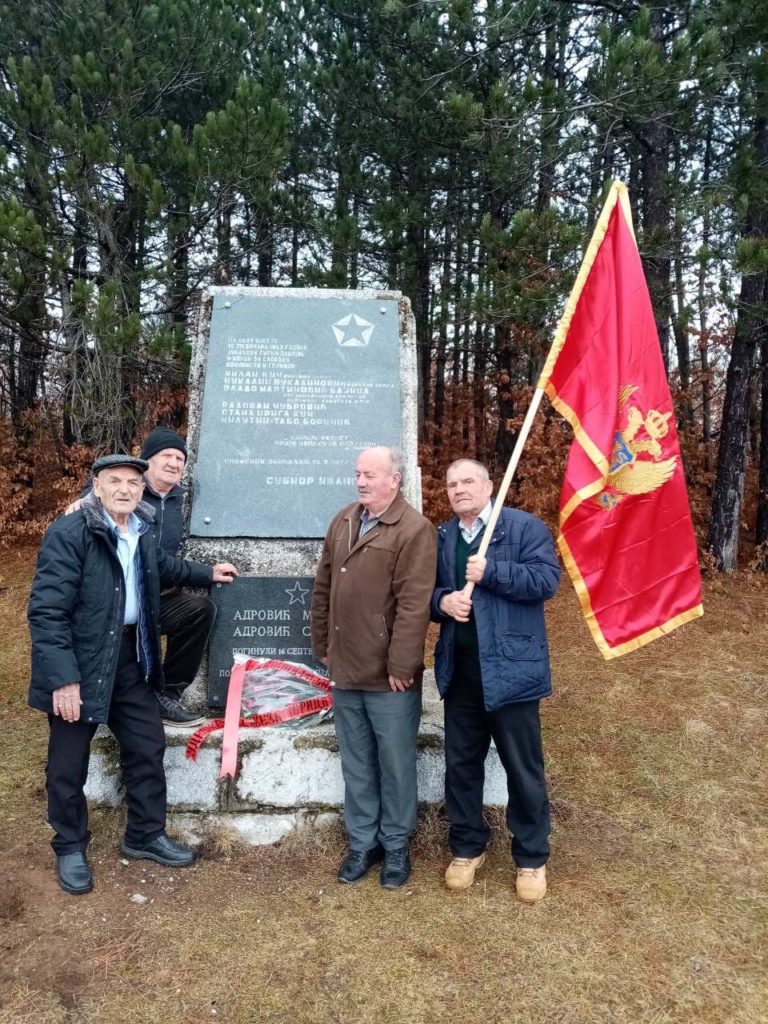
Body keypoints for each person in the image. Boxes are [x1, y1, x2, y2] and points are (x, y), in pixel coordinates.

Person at [28, 454, 207, 895]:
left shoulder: (141, 531)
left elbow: (164, 569)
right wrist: (65, 679)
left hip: (130, 658)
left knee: (147, 745)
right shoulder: (71, 532)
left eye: (133, 482)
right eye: (115, 481)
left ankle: (144, 834)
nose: (125, 489)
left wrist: (208, 574)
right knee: (68, 763)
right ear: (97, 486)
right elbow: (47, 613)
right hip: (81, 662)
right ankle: (70, 845)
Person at [431, 459, 560, 903]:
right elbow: (425, 592)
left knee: (523, 769)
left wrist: (493, 573)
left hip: (512, 671)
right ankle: (468, 847)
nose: (459, 489)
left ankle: (531, 857)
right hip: (461, 670)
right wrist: (443, 602)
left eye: (468, 481)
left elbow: (546, 580)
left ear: (488, 486)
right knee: (461, 765)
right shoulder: (445, 536)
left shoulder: (523, 528)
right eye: (452, 484)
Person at [311, 447, 437, 889]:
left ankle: (397, 846)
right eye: (357, 474)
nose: (361, 481)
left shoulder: (414, 529)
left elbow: (413, 603)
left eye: (370, 475)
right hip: (345, 667)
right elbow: (324, 584)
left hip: (390, 677)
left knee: (397, 763)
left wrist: (402, 663)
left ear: (395, 480)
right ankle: (362, 843)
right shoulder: (345, 519)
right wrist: (322, 642)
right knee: (357, 762)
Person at [66, 426, 238, 726]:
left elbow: (162, 563)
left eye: (180, 458)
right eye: (166, 456)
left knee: (199, 610)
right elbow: (96, 497)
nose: (174, 463)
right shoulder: (124, 492)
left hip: (156, 600)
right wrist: (83, 502)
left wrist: (208, 572)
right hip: (111, 605)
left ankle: (167, 694)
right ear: (147, 460)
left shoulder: (180, 500)